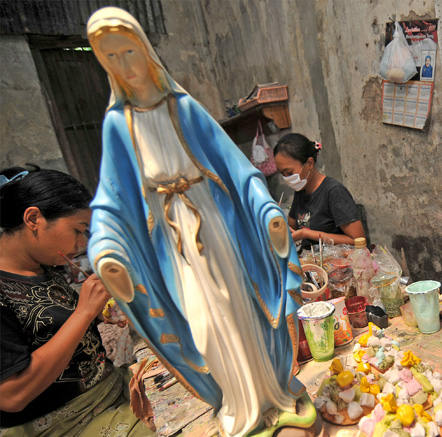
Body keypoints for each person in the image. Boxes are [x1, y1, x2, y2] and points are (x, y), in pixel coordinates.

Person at [86, 7, 313, 437]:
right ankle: (238, 401)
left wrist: (267, 213)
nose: (124, 65)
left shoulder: (183, 108)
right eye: (111, 58)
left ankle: (273, 392)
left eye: (128, 52)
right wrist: (107, 250)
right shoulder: (119, 124)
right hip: (174, 244)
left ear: (146, 51)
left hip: (217, 228)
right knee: (205, 324)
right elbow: (109, 202)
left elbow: (238, 169)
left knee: (242, 308)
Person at [0, 167, 152, 436]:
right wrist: (83, 313)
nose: (82, 243)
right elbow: (12, 396)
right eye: (78, 231)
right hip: (66, 424)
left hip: (109, 389)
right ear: (34, 218)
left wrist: (96, 313)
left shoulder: (43, 265)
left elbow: (50, 327)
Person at [274, 133, 366, 249]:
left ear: (310, 163)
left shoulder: (334, 192)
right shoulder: (300, 191)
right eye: (282, 174)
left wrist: (306, 233)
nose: (287, 178)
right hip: (311, 261)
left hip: (338, 261)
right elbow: (292, 227)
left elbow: (357, 240)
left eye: (290, 173)